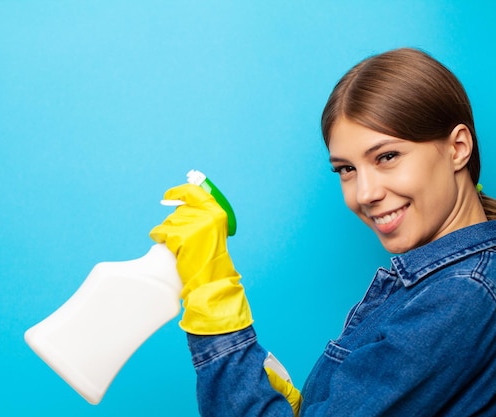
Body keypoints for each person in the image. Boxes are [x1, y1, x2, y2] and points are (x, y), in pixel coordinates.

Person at [149, 47, 496, 416]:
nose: (365, 194)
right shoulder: (448, 285)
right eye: (346, 169)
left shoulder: (461, 294)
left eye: (387, 157)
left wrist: (212, 300)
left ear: (458, 148)